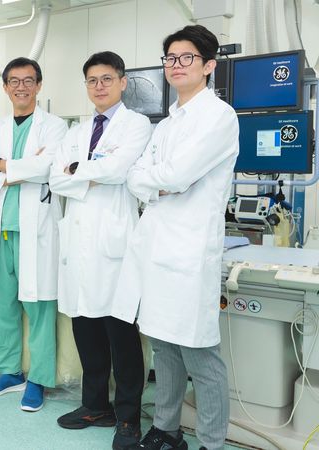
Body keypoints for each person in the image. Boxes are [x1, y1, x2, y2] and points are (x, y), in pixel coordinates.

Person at [111, 25, 239, 450]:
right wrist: (159, 183)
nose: (177, 65)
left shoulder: (219, 116)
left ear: (208, 65)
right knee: (163, 347)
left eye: (187, 57)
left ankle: (212, 442)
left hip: (188, 252)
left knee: (199, 353)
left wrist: (159, 181)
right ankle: (166, 429)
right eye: (171, 58)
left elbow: (179, 175)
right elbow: (136, 178)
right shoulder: (166, 125)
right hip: (156, 249)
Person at [48, 51, 151, 449]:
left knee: (120, 333)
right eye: (92, 80)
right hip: (78, 242)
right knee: (85, 328)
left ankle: (127, 417)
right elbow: (55, 179)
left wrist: (78, 170)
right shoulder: (76, 131)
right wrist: (87, 174)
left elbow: (118, 169)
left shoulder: (136, 125)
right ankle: (94, 405)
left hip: (114, 243)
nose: (99, 86)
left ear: (122, 82)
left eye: (107, 78)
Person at [0, 57, 68, 412]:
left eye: (28, 81)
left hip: (36, 229)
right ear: (5, 87)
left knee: (39, 305)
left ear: (39, 85)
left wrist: (0, 165)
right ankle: (9, 372)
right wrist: (18, 171)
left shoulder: (55, 127)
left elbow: (48, 167)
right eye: (14, 81)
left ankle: (38, 378)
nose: (21, 87)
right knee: (0, 304)